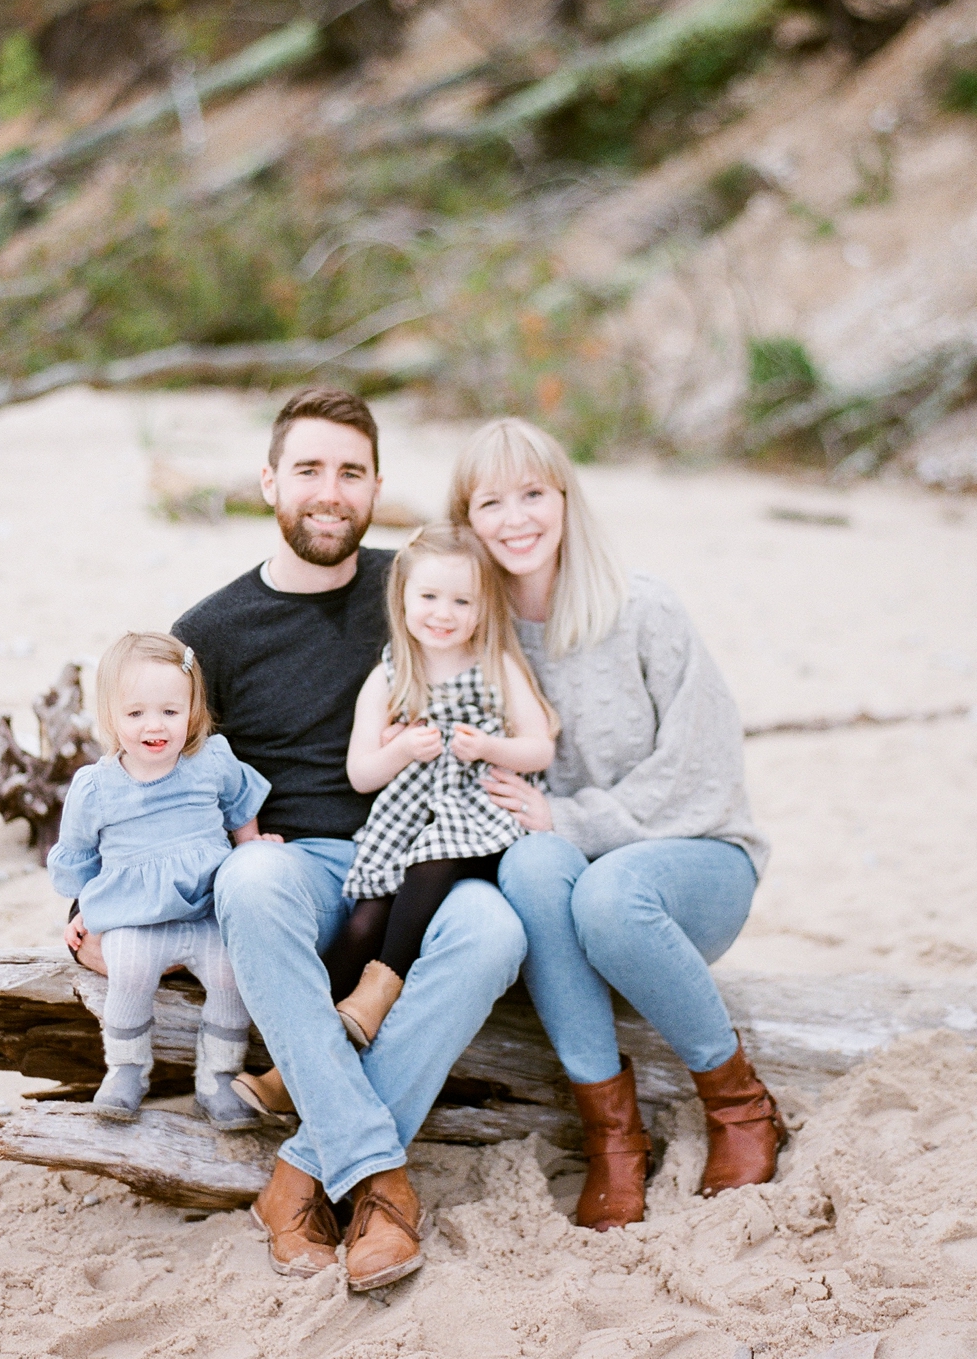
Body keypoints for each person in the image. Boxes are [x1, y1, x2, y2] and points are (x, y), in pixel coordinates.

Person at [168, 388, 526, 1294]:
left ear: (374, 488)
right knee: (249, 880)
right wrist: (88, 898)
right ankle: (378, 1178)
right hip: (296, 865)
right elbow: (157, 776)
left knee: (495, 933)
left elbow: (502, 654)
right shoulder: (210, 632)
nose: (330, 491)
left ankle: (298, 1174)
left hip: (424, 862)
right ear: (269, 480)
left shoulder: (412, 588)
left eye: (351, 473)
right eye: (310, 469)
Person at [447, 416, 783, 1235]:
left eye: (532, 493)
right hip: (567, 892)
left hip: (695, 865)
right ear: (467, 519)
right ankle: (613, 1137)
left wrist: (568, 815)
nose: (515, 517)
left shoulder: (641, 608)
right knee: (531, 868)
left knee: (600, 887)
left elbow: (701, 771)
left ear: (565, 498)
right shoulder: (471, 638)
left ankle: (737, 1103)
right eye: (491, 501)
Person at [233, 522, 555, 1100]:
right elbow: (361, 773)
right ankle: (300, 1060)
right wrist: (401, 748)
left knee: (430, 862)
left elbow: (540, 746)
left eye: (462, 600)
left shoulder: (496, 666)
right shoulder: (389, 676)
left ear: (484, 608)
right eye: (429, 597)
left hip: (477, 817)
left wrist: (488, 748)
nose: (443, 613)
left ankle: (377, 994)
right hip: (404, 823)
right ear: (402, 598)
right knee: (363, 918)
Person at [48, 631, 271, 1128]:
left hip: (206, 910)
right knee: (128, 974)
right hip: (136, 921)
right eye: (136, 714)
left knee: (232, 978)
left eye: (171, 712)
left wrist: (253, 846)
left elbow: (238, 805)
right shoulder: (97, 787)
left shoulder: (210, 759)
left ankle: (218, 1079)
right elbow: (82, 856)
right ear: (110, 716)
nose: (155, 726)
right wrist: (82, 913)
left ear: (192, 710)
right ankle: (126, 1070)